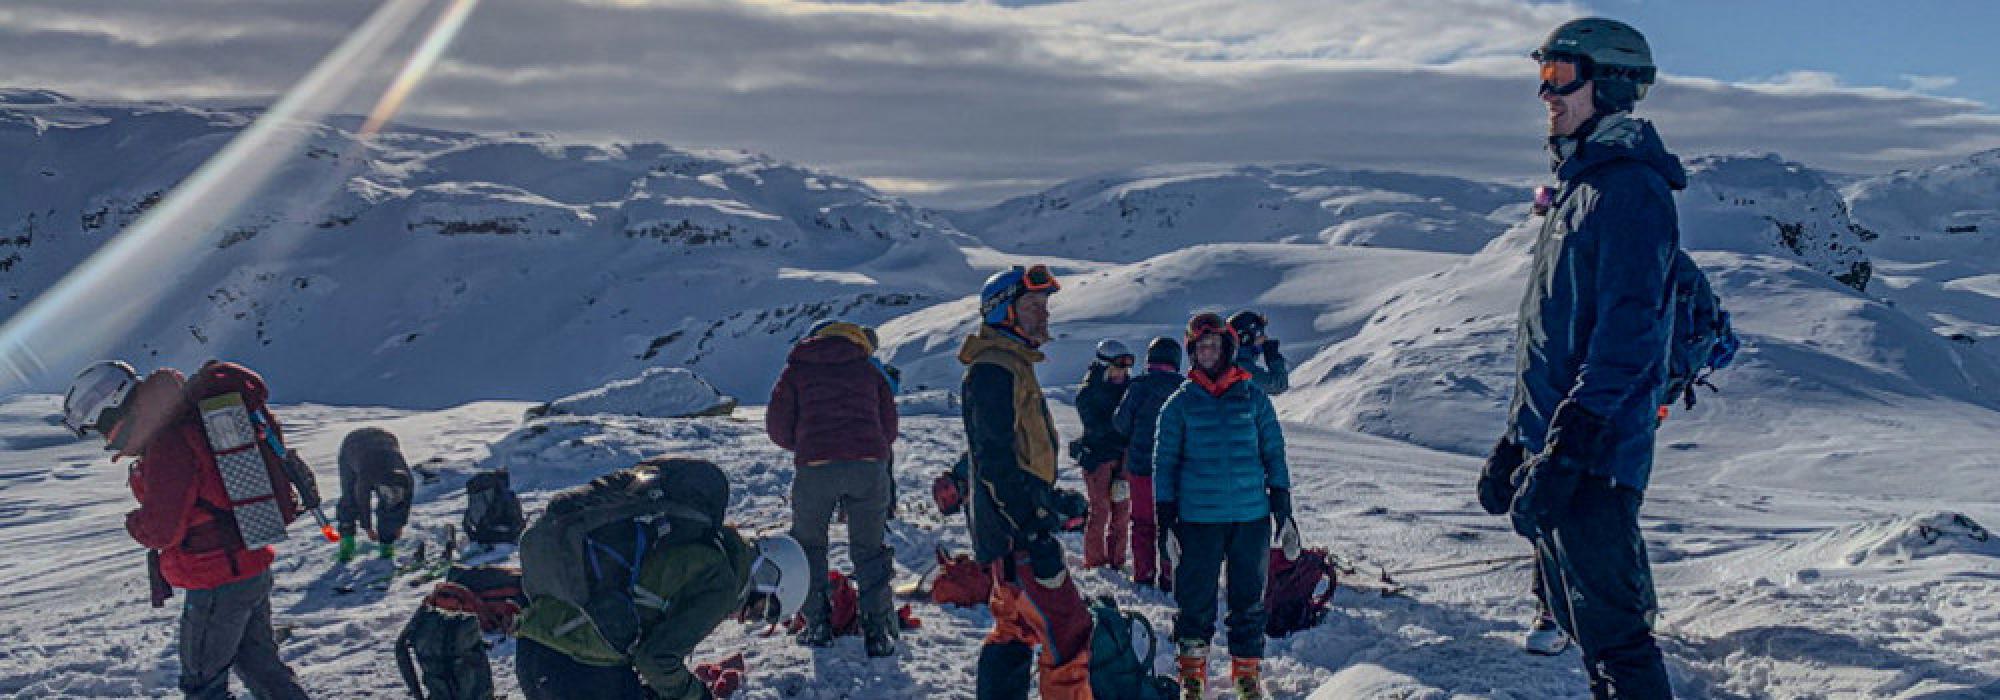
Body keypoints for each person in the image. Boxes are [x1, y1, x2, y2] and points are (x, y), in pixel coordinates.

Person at [1485, 17, 1681, 699]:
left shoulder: (1627, 192)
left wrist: (1570, 447)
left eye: (1561, 76)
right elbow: (1557, 333)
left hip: (1594, 463)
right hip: (1563, 449)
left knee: (1616, 640)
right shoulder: (1582, 187)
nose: (1546, 93)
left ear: (1614, 83)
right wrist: (1518, 441)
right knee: (1580, 620)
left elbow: (1628, 337)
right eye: (1542, 76)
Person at [64, 360, 311, 700]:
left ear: (112, 412)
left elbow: (161, 529)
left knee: (203, 684)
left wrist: (134, 523)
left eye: (101, 430)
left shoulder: (168, 441)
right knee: (260, 666)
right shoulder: (181, 420)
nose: (108, 442)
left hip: (216, 579)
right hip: (248, 564)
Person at [513, 459, 810, 700]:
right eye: (763, 609)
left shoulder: (700, 545)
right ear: (768, 575)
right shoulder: (724, 581)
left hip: (536, 649)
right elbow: (656, 660)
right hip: (584, 669)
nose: (745, 617)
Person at [960, 264, 1094, 700]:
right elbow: (993, 459)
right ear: (1005, 313)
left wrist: (1052, 500)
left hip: (1010, 529)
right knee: (1069, 632)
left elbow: (1016, 455)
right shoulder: (994, 369)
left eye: (1045, 306)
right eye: (1034, 306)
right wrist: (1032, 525)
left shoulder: (1010, 364)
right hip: (1017, 533)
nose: (1045, 315)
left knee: (1014, 630)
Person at [1154, 313, 1290, 700]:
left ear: (1228, 349)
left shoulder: (1254, 397)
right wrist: (1165, 518)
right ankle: (1193, 674)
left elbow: (1273, 452)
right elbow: (1164, 464)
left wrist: (1282, 503)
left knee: (1248, 602)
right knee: (1194, 601)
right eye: (1201, 347)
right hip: (1197, 518)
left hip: (1250, 517)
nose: (1208, 352)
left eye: (1215, 345)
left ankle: (1246, 673)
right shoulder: (1178, 405)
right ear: (1192, 353)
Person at [766, 320, 901, 656]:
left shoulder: (796, 370)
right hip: (869, 467)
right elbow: (890, 425)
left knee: (810, 546)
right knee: (869, 549)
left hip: (816, 469)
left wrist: (805, 444)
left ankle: (817, 625)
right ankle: (878, 630)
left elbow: (777, 426)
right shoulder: (868, 371)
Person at [1112, 336, 1183, 591]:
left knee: (1143, 523)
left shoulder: (1139, 386)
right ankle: (1169, 575)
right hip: (1175, 470)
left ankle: (1144, 574)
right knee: (1170, 522)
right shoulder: (1184, 387)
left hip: (1141, 466)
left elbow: (1120, 424)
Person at [1071, 339, 1134, 571]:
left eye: (1126, 367)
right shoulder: (1089, 392)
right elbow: (1095, 427)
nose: (1122, 372)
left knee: (1122, 511)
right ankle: (1095, 560)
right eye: (1118, 366)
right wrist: (1120, 427)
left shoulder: (1130, 389)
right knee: (1100, 509)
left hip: (1123, 458)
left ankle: (1117, 560)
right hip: (1099, 459)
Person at [335, 427, 414, 562]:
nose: (389, 495)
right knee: (349, 499)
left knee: (393, 507)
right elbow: (362, 502)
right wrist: (368, 528)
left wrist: (399, 525)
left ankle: (386, 544)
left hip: (386, 439)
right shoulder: (366, 476)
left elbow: (405, 505)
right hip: (352, 445)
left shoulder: (407, 479)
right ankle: (347, 544)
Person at [1226, 311, 1288, 396]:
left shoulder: (1230, 362)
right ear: (1245, 339)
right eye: (1260, 335)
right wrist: (1273, 356)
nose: (1265, 339)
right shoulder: (1241, 369)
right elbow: (1279, 385)